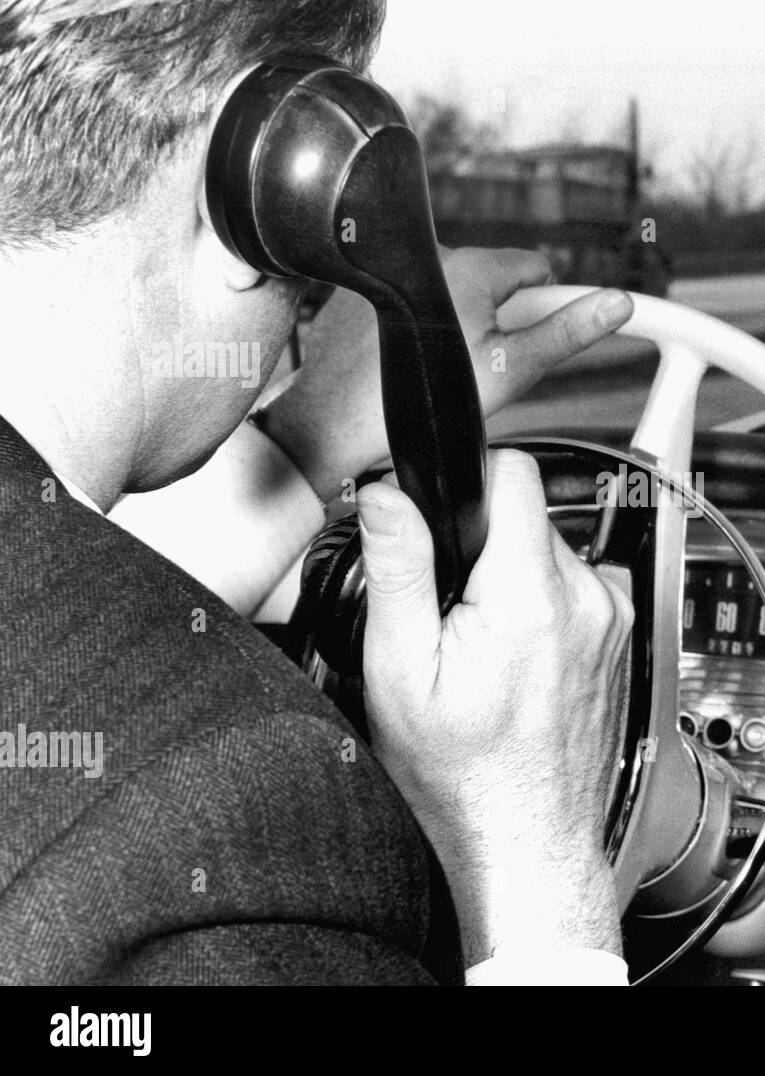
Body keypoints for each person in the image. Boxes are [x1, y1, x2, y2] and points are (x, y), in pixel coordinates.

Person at [0, 0, 637, 985]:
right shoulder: (247, 814)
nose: (310, 297)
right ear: (258, 175)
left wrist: (306, 447)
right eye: (304, 279)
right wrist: (537, 884)